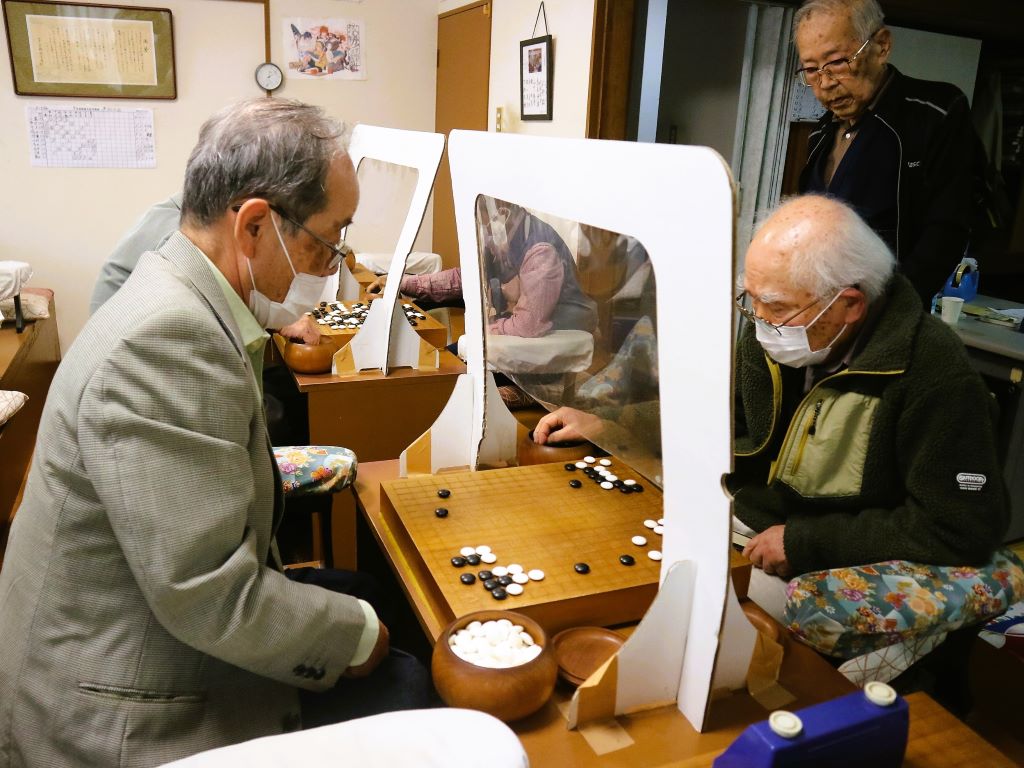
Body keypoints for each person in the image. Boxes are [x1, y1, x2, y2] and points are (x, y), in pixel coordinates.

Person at [0, 99, 432, 767]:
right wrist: (353, 638)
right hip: (110, 701)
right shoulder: (167, 340)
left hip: (142, 612)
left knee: (371, 601)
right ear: (255, 224)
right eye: (328, 240)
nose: (332, 265)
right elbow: (208, 593)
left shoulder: (176, 283)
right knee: (407, 682)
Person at [730, 194, 1007, 580]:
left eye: (776, 307)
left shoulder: (933, 373)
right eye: (752, 299)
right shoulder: (773, 329)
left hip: (832, 565)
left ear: (850, 304)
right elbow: (735, 429)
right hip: (745, 526)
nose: (759, 320)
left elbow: (962, 527)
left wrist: (807, 542)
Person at [794, 0, 982, 305]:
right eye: (812, 70)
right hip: (821, 307)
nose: (825, 83)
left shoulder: (936, 113)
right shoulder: (821, 133)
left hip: (889, 310)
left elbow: (947, 230)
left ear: (881, 46)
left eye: (838, 62)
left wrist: (890, 310)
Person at [370, 201, 597, 338]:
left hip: (556, 335)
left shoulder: (540, 251)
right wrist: (402, 282)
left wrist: (483, 332)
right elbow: (465, 278)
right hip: (521, 325)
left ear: (502, 214)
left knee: (454, 362)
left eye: (484, 223)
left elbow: (527, 326)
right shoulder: (504, 236)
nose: (483, 231)